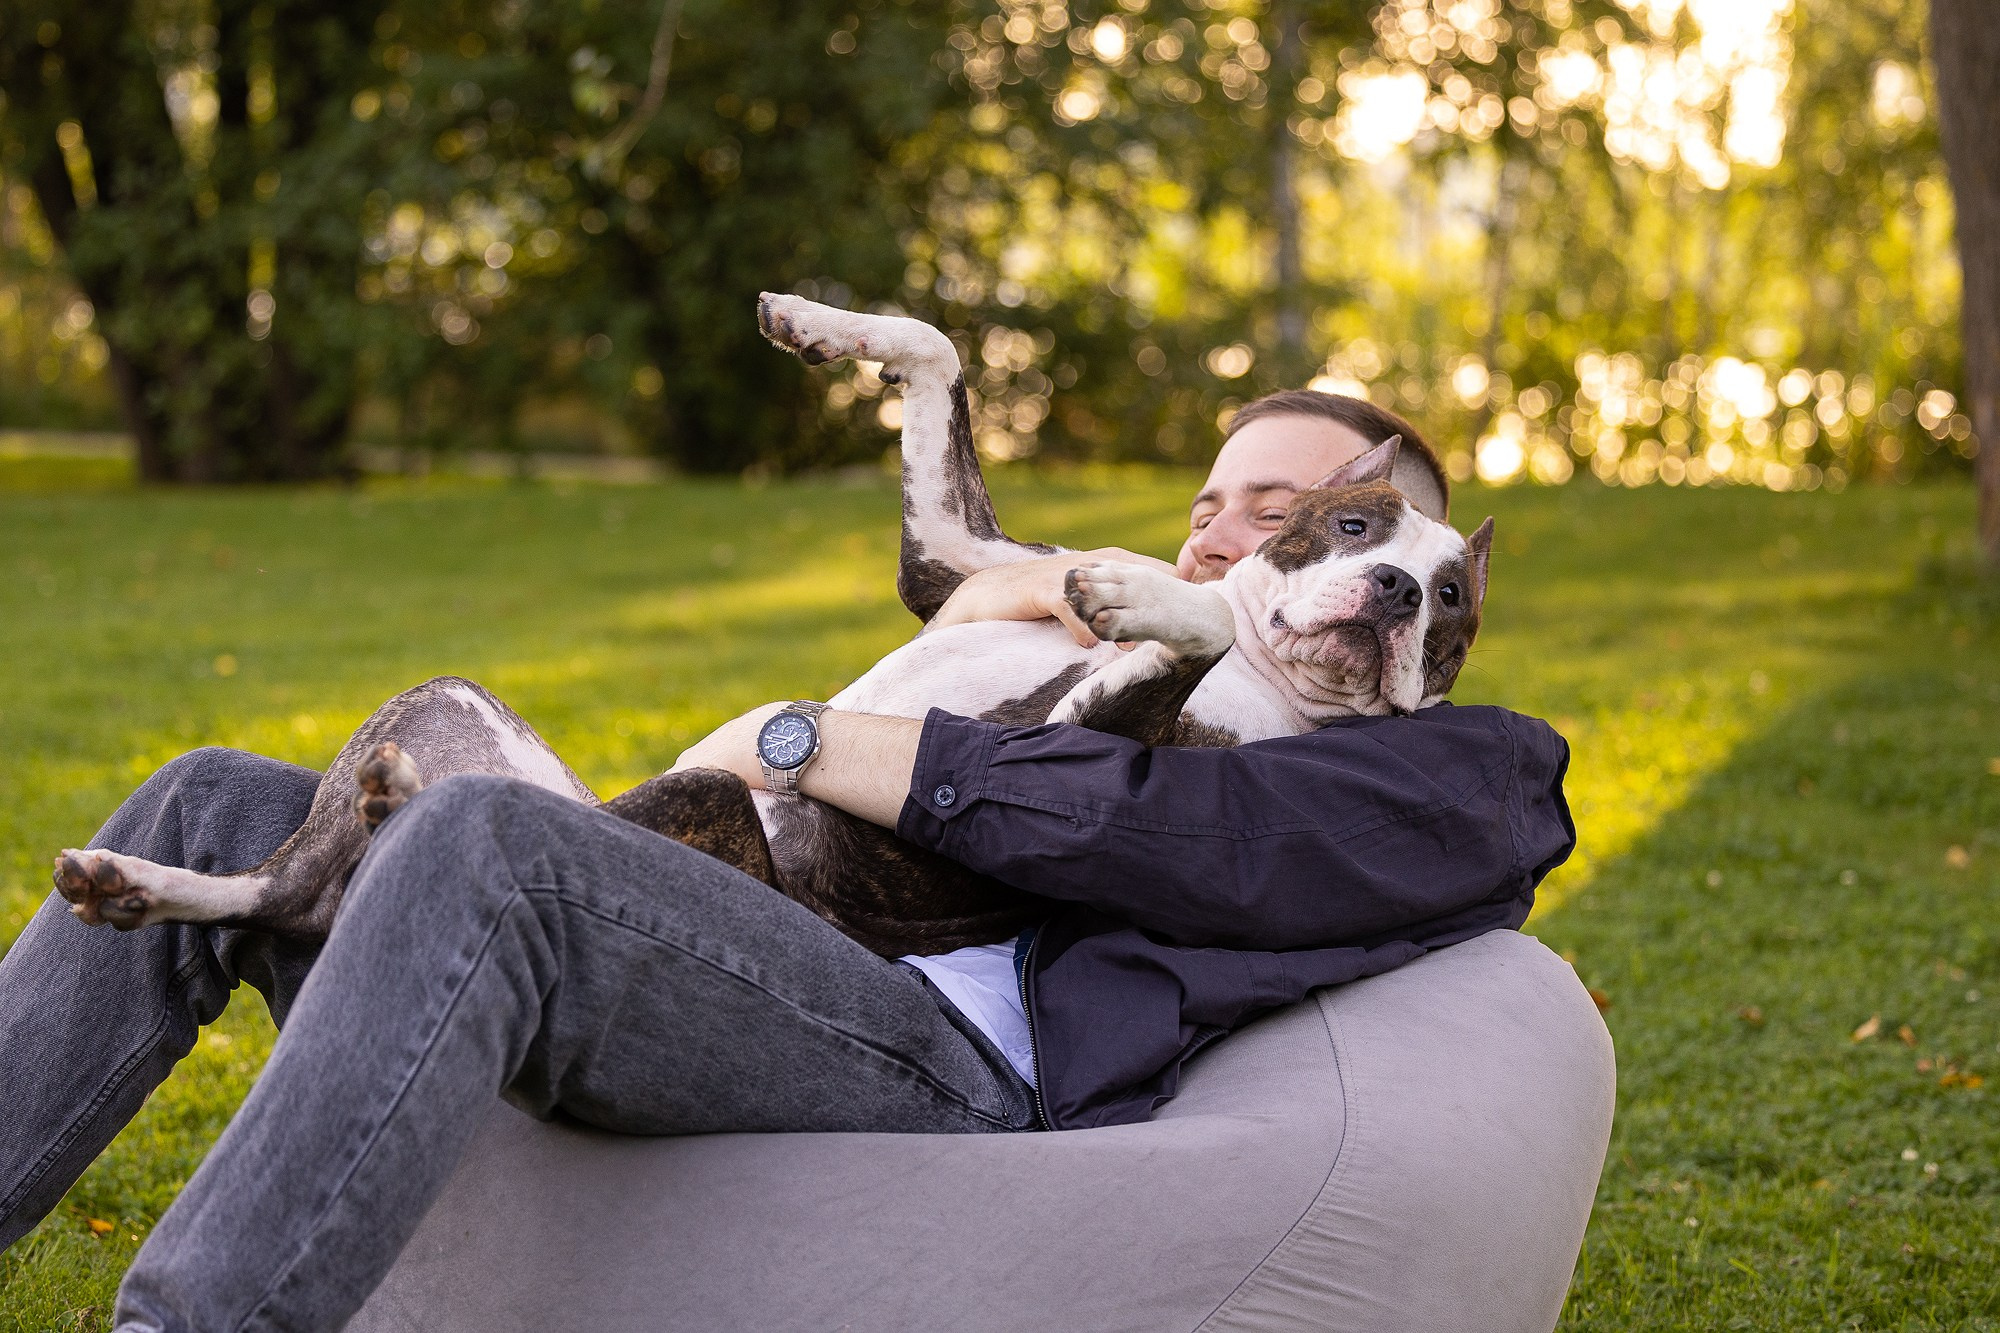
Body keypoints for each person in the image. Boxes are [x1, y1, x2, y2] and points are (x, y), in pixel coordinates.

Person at [0, 392, 1573, 1333]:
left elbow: (1146, 831)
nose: (1225, 538)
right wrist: (1009, 610)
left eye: (1290, 512)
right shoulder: (1129, 639)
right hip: (776, 947)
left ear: (1407, 569)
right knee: (217, 801)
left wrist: (810, 742)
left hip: (946, 1047)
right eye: (1212, 503)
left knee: (501, 846)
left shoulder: (1427, 766)